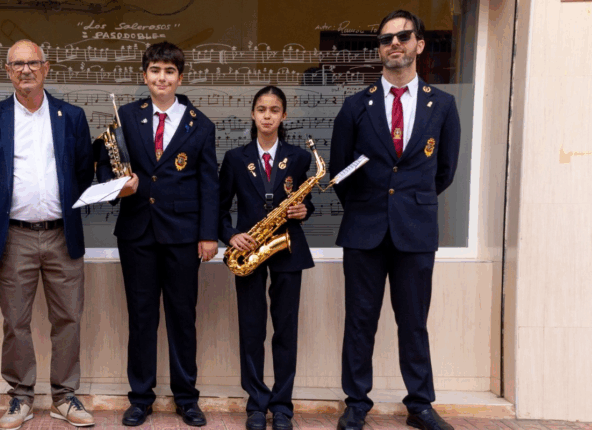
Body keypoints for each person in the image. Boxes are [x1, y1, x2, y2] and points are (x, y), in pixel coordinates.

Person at [329, 10, 461, 430]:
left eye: (403, 36)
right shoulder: (356, 105)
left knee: (414, 323)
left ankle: (420, 405)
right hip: (364, 230)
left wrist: (408, 203)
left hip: (415, 231)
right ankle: (356, 403)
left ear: (419, 44)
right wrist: (368, 204)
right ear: (380, 50)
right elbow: (341, 171)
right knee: (360, 322)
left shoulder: (443, 105)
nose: (394, 44)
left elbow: (444, 171)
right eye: (386, 39)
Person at [96, 41, 219, 427]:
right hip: (137, 233)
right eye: (154, 70)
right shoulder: (126, 117)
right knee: (141, 317)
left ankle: (186, 398)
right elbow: (106, 165)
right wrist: (118, 185)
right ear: (144, 74)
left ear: (180, 77)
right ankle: (140, 398)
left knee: (183, 317)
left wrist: (209, 234)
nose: (161, 78)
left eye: (169, 71)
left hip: (183, 235)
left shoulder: (202, 124)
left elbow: (209, 184)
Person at [0, 40, 95, 430]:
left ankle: (64, 396)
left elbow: (83, 171)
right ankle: (21, 396)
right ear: (7, 71)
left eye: (33, 63)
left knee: (69, 318)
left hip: (62, 234)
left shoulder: (71, 116)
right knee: (16, 321)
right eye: (17, 64)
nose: (25, 70)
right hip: (14, 236)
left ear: (46, 67)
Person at [218, 86, 315, 430]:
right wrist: (231, 235)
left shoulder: (299, 158)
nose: (268, 116)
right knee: (251, 329)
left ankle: (283, 406)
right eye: (261, 109)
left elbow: (306, 201)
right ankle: (256, 404)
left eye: (274, 110)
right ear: (253, 114)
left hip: (287, 249)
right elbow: (219, 207)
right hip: (249, 251)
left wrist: (304, 210)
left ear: (283, 115)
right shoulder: (235, 158)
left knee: (285, 331)